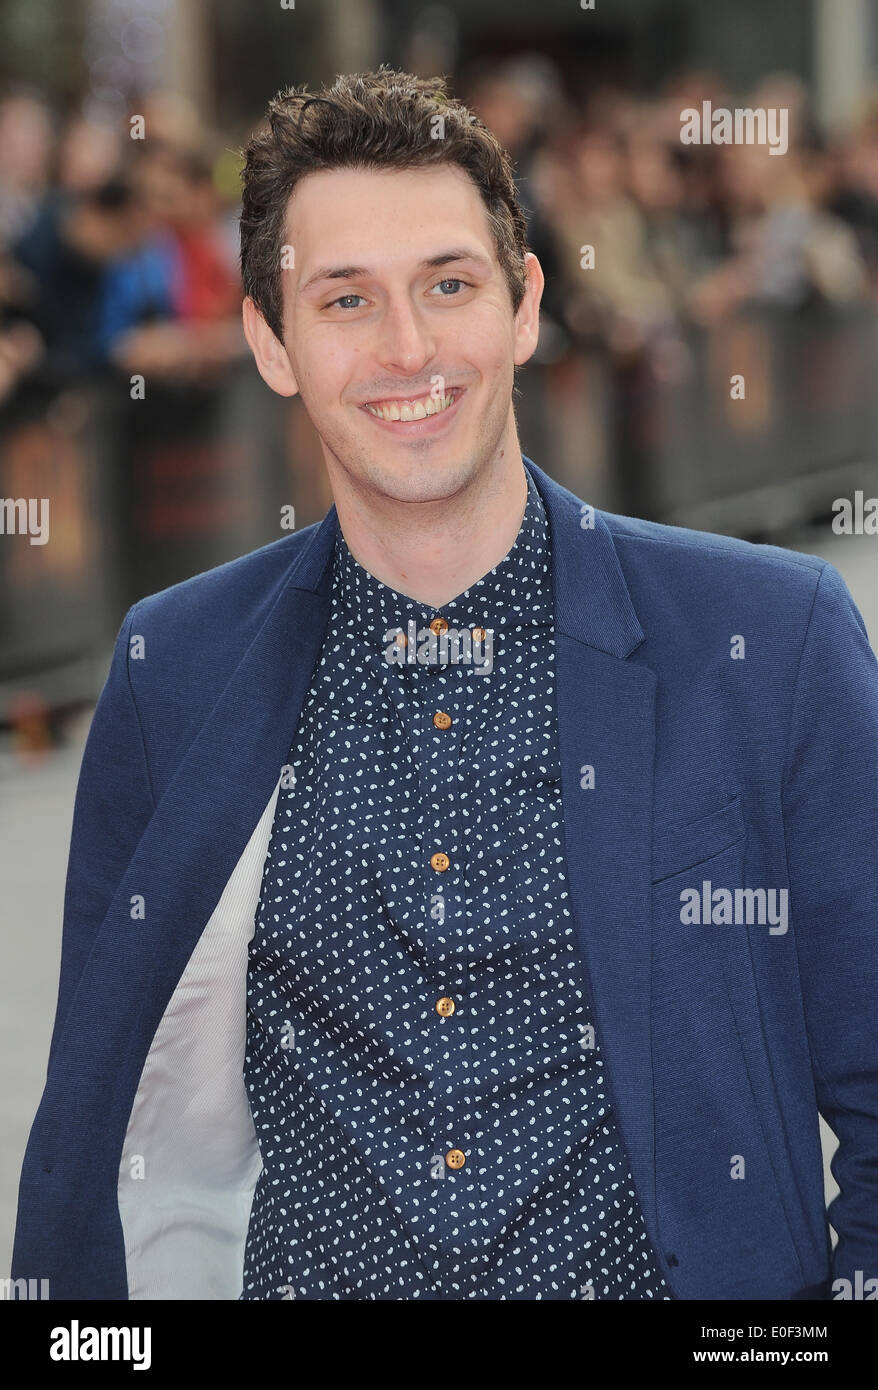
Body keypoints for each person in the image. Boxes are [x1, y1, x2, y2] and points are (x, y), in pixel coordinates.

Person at [12, 66, 878, 1301]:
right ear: (269, 340)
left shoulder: (768, 640)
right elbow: (98, 1119)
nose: (407, 347)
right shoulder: (175, 669)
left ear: (524, 306)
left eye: (448, 285)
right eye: (346, 299)